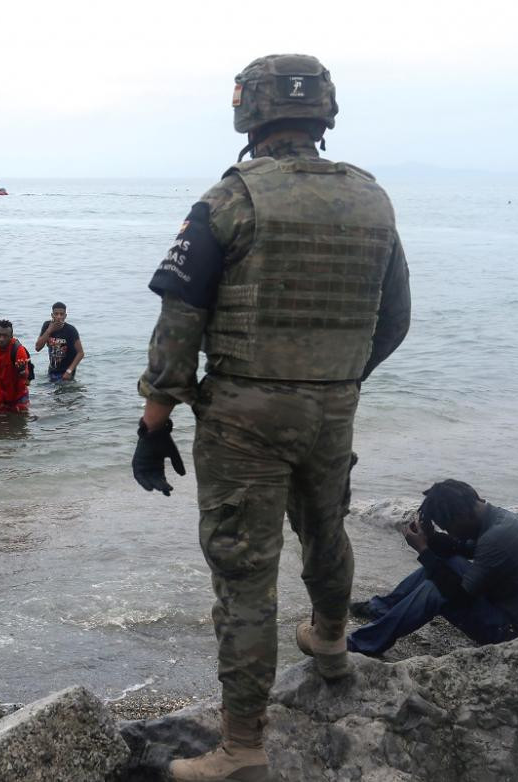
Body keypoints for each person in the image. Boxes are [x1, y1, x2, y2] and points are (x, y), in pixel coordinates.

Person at [133, 54, 411, 781]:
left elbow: (180, 321)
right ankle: (328, 641)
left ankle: (242, 748)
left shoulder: (231, 200)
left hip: (244, 418)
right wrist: (337, 377)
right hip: (333, 405)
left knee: (245, 578)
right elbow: (397, 317)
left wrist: (155, 418)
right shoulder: (372, 199)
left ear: (248, 113)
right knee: (326, 525)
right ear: (324, 113)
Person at [347, 480, 518, 657]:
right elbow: (462, 548)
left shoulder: (496, 538)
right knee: (447, 563)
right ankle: (381, 609)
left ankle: (362, 642)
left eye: (449, 527)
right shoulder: (499, 520)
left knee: (437, 590)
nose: (450, 533)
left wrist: (423, 551)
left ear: (462, 516)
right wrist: (431, 539)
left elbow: (457, 596)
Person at [0, 320, 31, 413]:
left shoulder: (18, 350)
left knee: (20, 424)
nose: (1, 339)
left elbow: (25, 377)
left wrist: (22, 370)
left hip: (18, 397)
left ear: (11, 336)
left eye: (5, 336)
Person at [35, 302, 85, 381]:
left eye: (61, 314)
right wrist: (49, 330)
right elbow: (38, 348)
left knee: (66, 393)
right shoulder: (47, 326)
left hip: (66, 372)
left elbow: (80, 353)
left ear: (65, 316)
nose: (59, 317)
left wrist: (69, 371)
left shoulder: (71, 330)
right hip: (52, 370)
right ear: (52, 315)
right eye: (56, 314)